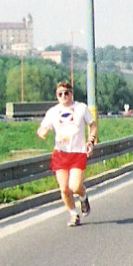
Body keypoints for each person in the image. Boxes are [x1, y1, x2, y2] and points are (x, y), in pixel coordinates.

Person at [37, 81, 98, 226]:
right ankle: (73, 214)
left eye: (66, 93)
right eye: (60, 94)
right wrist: (42, 133)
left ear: (71, 94)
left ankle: (83, 197)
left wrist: (90, 141)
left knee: (75, 186)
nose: (63, 96)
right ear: (57, 96)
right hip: (61, 153)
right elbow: (42, 128)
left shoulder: (81, 108)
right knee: (64, 188)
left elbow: (93, 125)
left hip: (77, 153)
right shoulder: (53, 112)